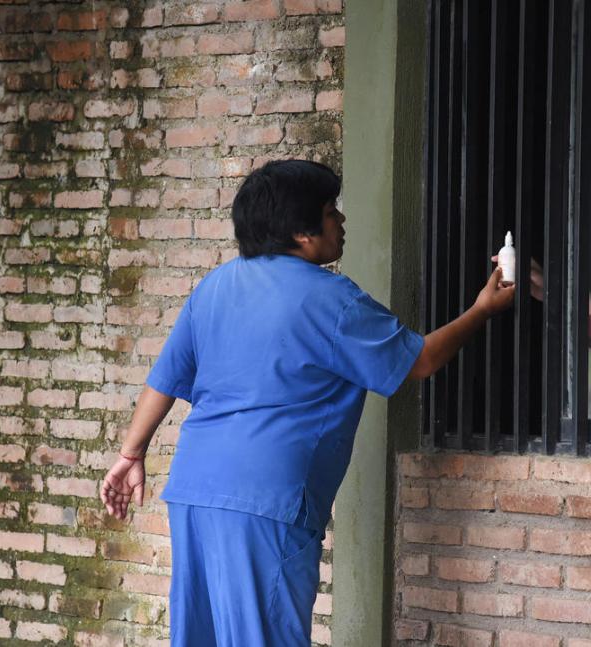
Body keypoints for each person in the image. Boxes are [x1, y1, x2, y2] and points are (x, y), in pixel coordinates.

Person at [99, 160, 515, 647]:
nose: (341, 222)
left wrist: (131, 454)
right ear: (302, 232)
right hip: (266, 501)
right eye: (330, 211)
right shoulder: (330, 298)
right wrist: (482, 310)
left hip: (194, 494)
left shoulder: (215, 287)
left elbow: (164, 379)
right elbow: (418, 361)